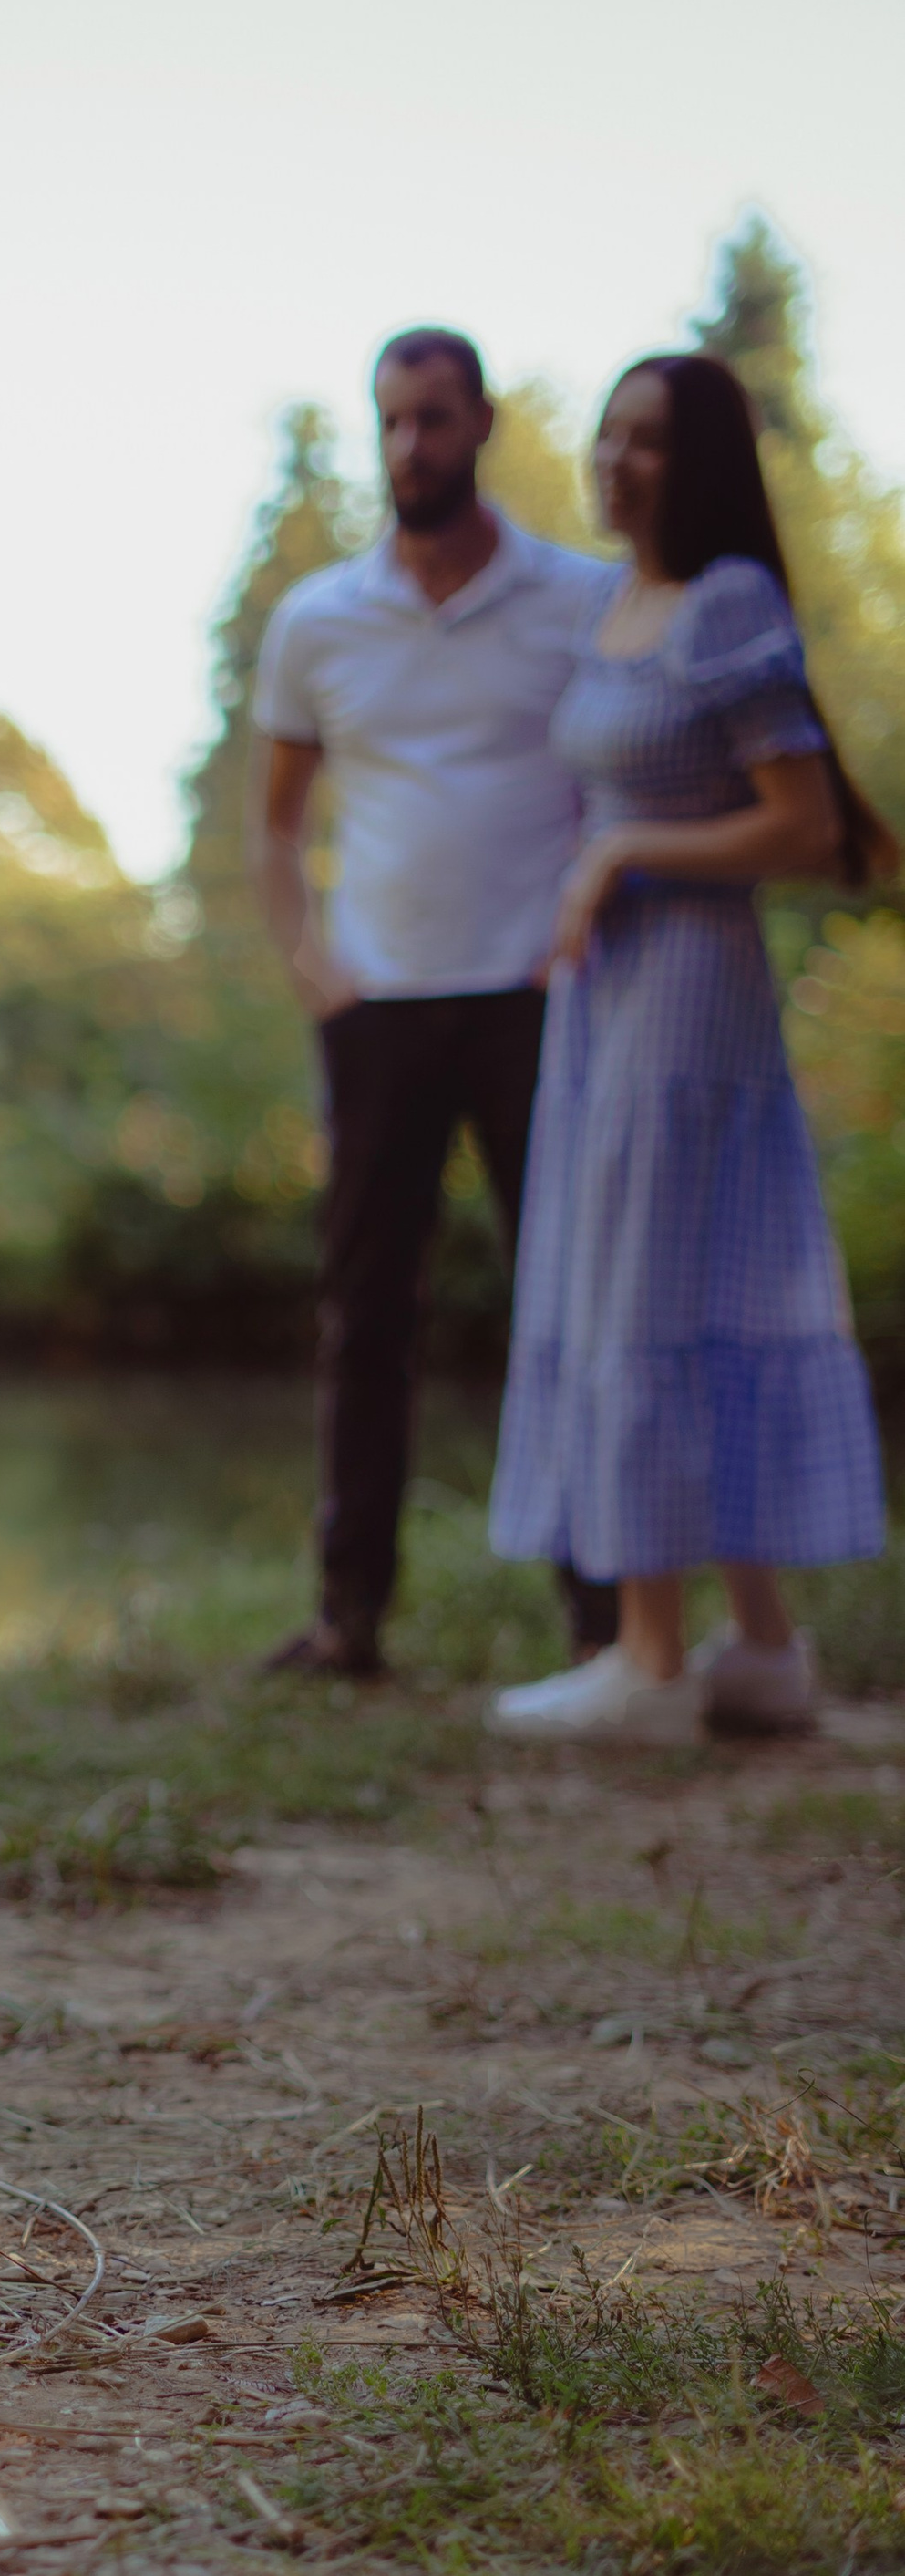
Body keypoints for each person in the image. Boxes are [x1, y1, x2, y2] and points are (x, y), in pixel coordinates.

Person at [487, 353, 892, 1743]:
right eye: (608, 434)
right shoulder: (618, 604)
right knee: (677, 1295)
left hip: (686, 998)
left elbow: (807, 826)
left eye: (649, 440)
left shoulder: (726, 603)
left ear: (702, 461)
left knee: (647, 1302)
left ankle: (651, 1662)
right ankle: (762, 1653)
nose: (616, 460)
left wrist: (625, 857)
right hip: (608, 1004)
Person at [252, 328, 621, 1680]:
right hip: (382, 1012)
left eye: (434, 419)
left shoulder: (582, 600)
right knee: (366, 1315)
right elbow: (276, 827)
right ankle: (349, 1617)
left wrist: (582, 935)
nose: (410, 446)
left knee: (570, 1306)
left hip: (541, 1006)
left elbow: (625, 786)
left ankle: (604, 1618)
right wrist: (315, 968)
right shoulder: (318, 620)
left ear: (483, 426)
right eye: (392, 421)